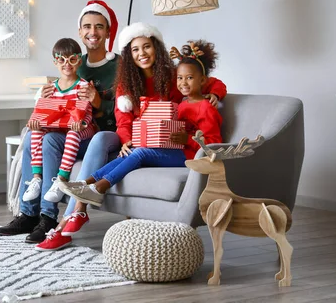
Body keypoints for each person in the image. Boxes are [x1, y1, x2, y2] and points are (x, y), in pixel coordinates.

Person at [34, 24, 226, 251]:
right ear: (128, 54)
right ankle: (78, 203)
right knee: (99, 139)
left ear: (156, 48)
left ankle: (75, 212)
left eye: (147, 47)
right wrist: (126, 140)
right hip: (132, 138)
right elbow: (122, 120)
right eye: (135, 50)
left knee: (136, 152)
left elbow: (209, 83)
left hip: (166, 143)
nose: (142, 54)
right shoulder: (126, 83)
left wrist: (214, 94)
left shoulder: (175, 77)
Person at [0, 0, 122, 243]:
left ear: (107, 31)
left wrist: (97, 101)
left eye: (99, 26)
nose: (92, 32)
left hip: (99, 135)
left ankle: (48, 217)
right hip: (69, 128)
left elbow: (125, 108)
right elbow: (60, 100)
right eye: (87, 27)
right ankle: (29, 214)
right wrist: (45, 97)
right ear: (80, 32)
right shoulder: (74, 62)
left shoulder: (120, 65)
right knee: (33, 135)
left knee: (51, 140)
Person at [22, 38, 97, 204]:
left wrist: (81, 123)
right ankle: (36, 177)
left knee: (73, 133)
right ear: (55, 62)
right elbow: (45, 112)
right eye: (61, 60)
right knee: (36, 131)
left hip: (82, 128)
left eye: (72, 59)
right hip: (58, 129)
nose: (67, 64)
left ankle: (61, 180)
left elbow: (88, 113)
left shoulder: (83, 86)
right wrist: (37, 122)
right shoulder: (52, 88)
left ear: (79, 60)